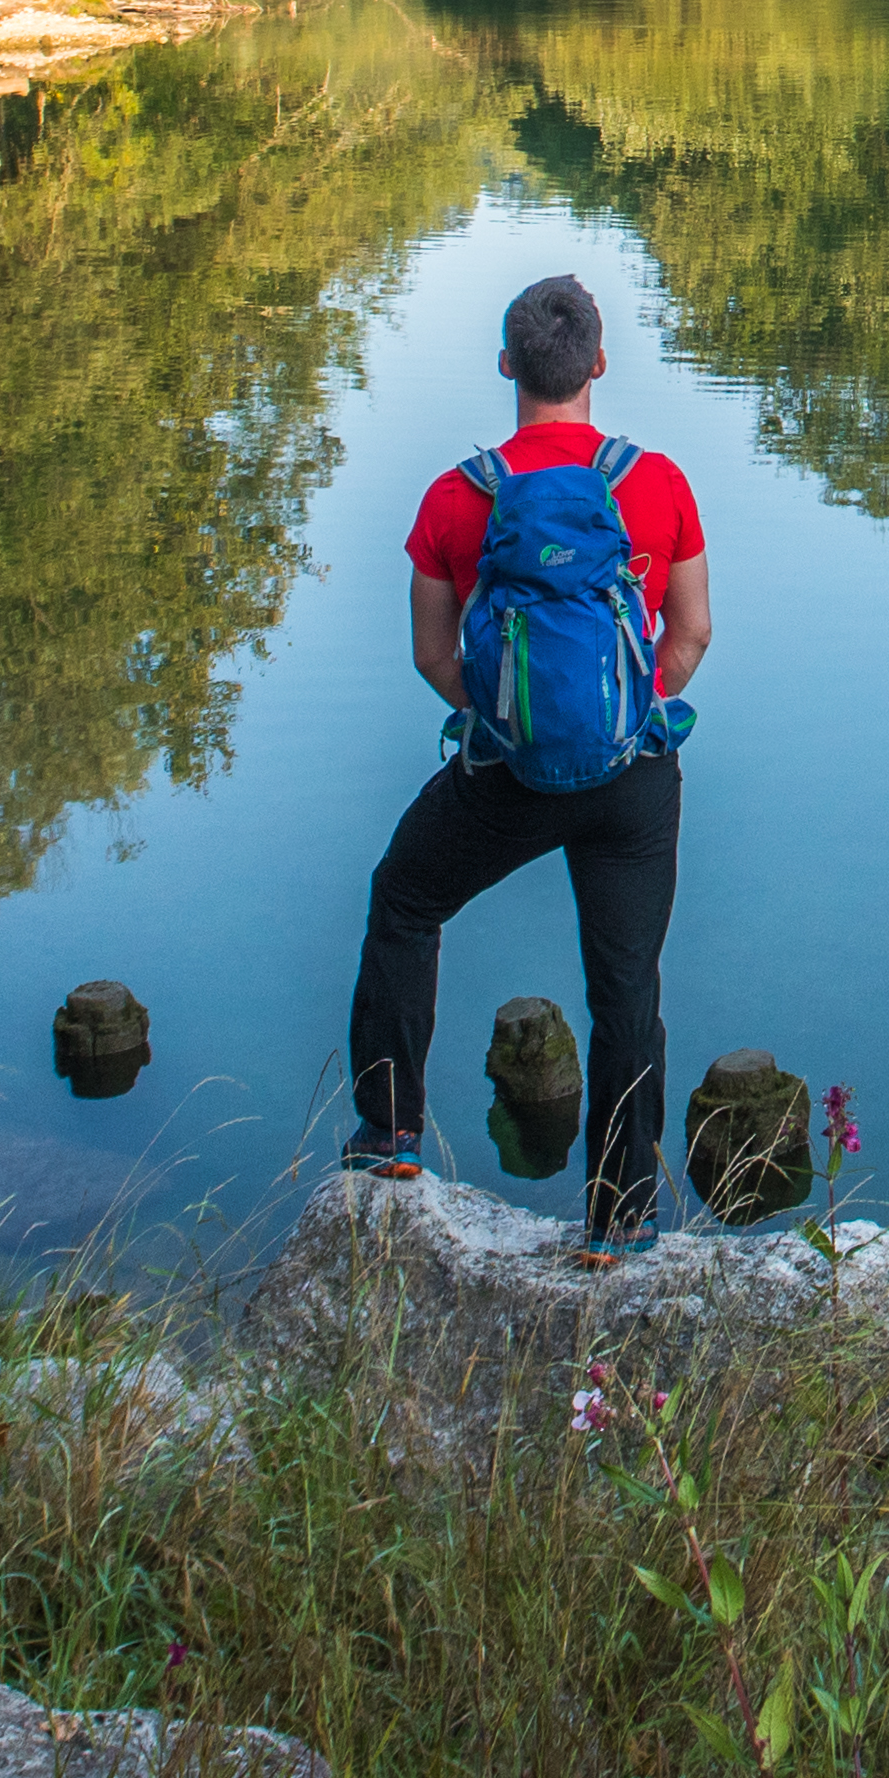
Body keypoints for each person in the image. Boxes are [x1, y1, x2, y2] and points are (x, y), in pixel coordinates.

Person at [343, 270, 711, 1260]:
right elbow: (691, 636)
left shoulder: (455, 499)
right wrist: (628, 722)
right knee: (626, 985)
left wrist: (511, 729)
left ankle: (388, 1136)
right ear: (596, 363)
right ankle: (621, 1218)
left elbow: (434, 658)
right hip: (632, 783)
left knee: (405, 900)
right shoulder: (658, 483)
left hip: (504, 778)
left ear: (508, 365)